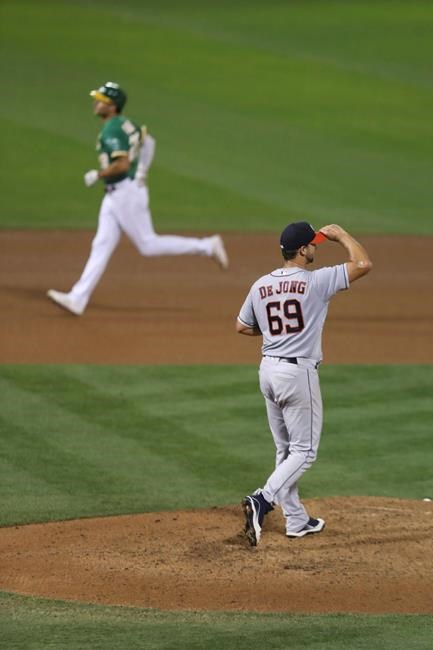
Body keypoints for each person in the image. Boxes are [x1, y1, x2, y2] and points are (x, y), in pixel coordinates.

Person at [236, 222, 372, 546]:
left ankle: (296, 520)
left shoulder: (260, 285)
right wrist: (340, 236)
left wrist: (275, 334)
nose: (316, 247)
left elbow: (242, 326)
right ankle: (262, 499)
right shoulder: (316, 281)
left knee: (285, 450)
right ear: (302, 250)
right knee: (305, 452)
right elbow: (364, 264)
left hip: (267, 371)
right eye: (314, 244)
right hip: (297, 376)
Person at [47, 81, 229, 316]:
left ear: (112, 107)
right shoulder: (127, 124)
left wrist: (98, 174)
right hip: (117, 194)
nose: (96, 103)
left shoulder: (112, 129)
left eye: (101, 101)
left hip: (125, 194)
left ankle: (207, 246)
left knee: (148, 245)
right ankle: (77, 298)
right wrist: (143, 170)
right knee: (101, 245)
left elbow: (121, 165)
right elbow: (149, 142)